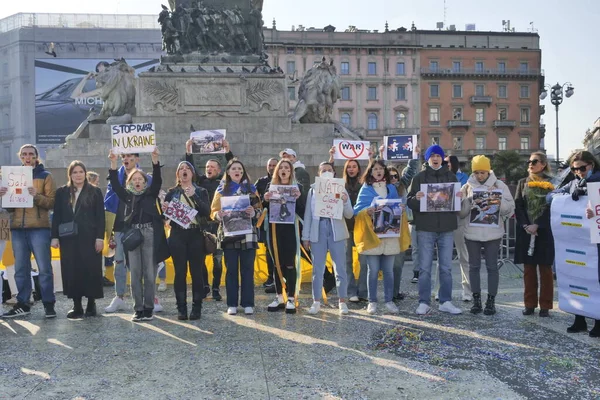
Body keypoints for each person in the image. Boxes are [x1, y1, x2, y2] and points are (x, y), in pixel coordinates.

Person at [108, 147, 169, 322]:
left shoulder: (150, 193)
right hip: (133, 235)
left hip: (149, 232)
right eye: (133, 179)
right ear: (129, 182)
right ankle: (138, 308)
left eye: (140, 179)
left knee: (149, 272)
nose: (137, 181)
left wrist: (155, 159)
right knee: (134, 273)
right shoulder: (126, 196)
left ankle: (149, 307)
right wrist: (113, 162)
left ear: (144, 182)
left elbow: (157, 179)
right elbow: (114, 183)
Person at [0, 144, 57, 318]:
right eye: (24, 154)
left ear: (36, 156)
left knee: (44, 268)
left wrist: (36, 195)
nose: (27, 157)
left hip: (39, 228)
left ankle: (49, 304)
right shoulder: (12, 176)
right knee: (20, 269)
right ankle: (23, 303)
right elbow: (9, 208)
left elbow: (52, 203)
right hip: (17, 227)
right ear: (20, 157)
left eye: (30, 154)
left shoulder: (46, 176)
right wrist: (3, 195)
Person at [407, 145, 463, 315]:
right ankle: (423, 301)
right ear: (428, 158)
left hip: (446, 227)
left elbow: (457, 205)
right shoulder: (419, 178)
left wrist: (459, 198)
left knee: (446, 267)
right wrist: (416, 199)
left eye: (439, 155)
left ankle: (445, 301)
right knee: (424, 267)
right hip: (425, 227)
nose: (436, 158)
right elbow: (409, 201)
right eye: (433, 155)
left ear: (443, 158)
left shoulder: (451, 177)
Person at [459, 156, 515, 315]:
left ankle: (491, 301)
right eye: (476, 172)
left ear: (488, 171)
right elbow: (461, 213)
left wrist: (496, 199)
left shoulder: (500, 185)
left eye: (483, 172)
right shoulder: (466, 187)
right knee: (473, 267)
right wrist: (469, 200)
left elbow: (509, 210)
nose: (480, 176)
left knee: (492, 267)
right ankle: (476, 300)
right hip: (472, 234)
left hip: (493, 234)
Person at [553, 151, 600, 336]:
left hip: (596, 242)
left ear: (592, 164)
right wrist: (562, 196)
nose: (579, 171)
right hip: (577, 239)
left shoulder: (597, 181)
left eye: (582, 168)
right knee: (577, 277)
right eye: (574, 169)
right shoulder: (573, 183)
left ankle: (598, 321)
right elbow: (552, 196)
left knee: (596, 280)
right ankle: (579, 318)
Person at [353, 160, 409, 315]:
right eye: (375, 169)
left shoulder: (391, 188)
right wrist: (367, 211)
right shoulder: (366, 189)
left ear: (384, 171)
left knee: (389, 271)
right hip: (372, 235)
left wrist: (401, 208)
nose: (378, 171)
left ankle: (389, 300)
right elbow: (357, 210)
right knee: (373, 269)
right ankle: (372, 301)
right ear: (370, 172)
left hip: (390, 235)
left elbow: (396, 206)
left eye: (380, 169)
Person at [51, 161, 105, 319]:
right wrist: (54, 236)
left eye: (81, 171)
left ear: (85, 173)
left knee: (90, 269)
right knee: (72, 270)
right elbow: (57, 216)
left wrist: (100, 238)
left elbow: (100, 217)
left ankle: (91, 304)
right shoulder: (62, 192)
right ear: (70, 174)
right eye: (75, 172)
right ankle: (76, 306)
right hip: (68, 238)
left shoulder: (94, 191)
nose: (78, 175)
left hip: (89, 237)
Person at [211, 159, 262, 315]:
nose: (237, 171)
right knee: (231, 270)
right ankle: (231, 303)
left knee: (247, 269)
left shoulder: (251, 190)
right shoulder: (221, 190)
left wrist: (254, 213)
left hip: (247, 234)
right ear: (228, 172)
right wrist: (218, 215)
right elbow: (213, 212)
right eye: (233, 168)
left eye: (240, 168)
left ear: (243, 171)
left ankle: (248, 303)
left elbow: (259, 210)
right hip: (229, 234)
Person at [185, 138, 234, 301]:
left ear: (219, 170)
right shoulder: (200, 182)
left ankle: (215, 288)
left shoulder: (224, 183)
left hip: (219, 225)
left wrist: (228, 151)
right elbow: (189, 168)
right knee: (201, 259)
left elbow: (233, 168)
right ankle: (205, 286)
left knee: (217, 260)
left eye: (212, 167)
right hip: (202, 225)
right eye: (207, 167)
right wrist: (188, 151)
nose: (209, 169)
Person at [302, 162, 353, 315]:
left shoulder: (341, 188)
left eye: (329, 170)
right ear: (319, 173)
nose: (326, 172)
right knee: (318, 269)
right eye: (323, 170)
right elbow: (308, 215)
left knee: (340, 268)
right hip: (318, 230)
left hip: (336, 230)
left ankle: (342, 300)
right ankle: (316, 301)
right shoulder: (312, 191)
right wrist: (306, 236)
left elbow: (349, 214)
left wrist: (344, 201)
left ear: (334, 173)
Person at [163, 161, 210, 320]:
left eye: (187, 168)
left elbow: (206, 212)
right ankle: (181, 308)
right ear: (178, 174)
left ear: (192, 173)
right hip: (177, 235)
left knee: (196, 272)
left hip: (195, 234)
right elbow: (166, 217)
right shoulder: (172, 192)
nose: (184, 171)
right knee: (180, 272)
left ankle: (197, 307)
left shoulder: (201, 191)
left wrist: (194, 196)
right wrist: (164, 209)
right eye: (181, 169)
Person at [514, 152, 554, 317]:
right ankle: (529, 304)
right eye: (529, 161)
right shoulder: (522, 182)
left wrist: (538, 224)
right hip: (526, 231)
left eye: (534, 161)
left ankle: (545, 305)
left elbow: (551, 207)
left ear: (543, 164)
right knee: (529, 270)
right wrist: (526, 225)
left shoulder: (552, 183)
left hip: (544, 231)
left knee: (545, 269)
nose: (530, 163)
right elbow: (518, 205)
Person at [264, 159, 305, 314]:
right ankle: (279, 296)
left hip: (290, 230)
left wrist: (299, 197)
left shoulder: (297, 187)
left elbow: (302, 210)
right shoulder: (271, 187)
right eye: (281, 168)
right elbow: (265, 208)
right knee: (276, 264)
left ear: (291, 171)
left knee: (289, 264)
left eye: (287, 168)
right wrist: (266, 199)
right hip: (275, 230)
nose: (284, 170)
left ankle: (291, 298)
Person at [104, 152, 139, 313]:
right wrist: (112, 163)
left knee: (138, 264)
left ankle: (140, 297)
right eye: (124, 156)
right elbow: (111, 194)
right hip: (117, 226)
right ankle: (119, 297)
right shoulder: (115, 178)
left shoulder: (143, 177)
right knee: (119, 263)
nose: (126, 159)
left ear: (136, 159)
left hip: (137, 226)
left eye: (130, 156)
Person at [445, 155, 471, 301]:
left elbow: (468, 197)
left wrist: (462, 196)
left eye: (447, 163)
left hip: (459, 220)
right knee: (443, 259)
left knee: (464, 256)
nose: (445, 165)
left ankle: (467, 292)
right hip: (443, 220)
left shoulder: (464, 178)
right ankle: (438, 291)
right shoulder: (441, 176)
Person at [255, 158, 279, 291]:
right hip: (266, 221)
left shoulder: (283, 181)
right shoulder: (261, 182)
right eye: (269, 165)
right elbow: (256, 201)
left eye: (274, 165)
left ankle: (281, 277)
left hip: (282, 221)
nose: (271, 167)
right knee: (269, 250)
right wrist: (264, 199)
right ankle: (271, 277)